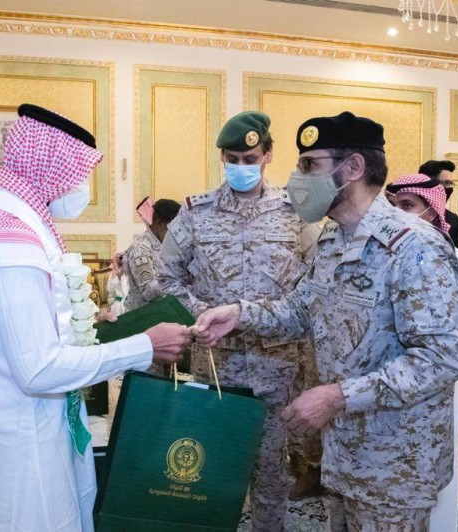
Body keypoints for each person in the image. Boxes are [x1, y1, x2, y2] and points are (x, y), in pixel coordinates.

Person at [193, 111, 458, 531]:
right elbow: (301, 310)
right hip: (343, 453)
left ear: (352, 168)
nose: (298, 178)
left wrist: (338, 396)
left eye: (309, 165)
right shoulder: (333, 239)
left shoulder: (414, 247)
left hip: (395, 465)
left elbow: (440, 357)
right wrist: (239, 314)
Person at [0, 104, 192, 532]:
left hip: (40, 424)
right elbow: (38, 369)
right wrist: (144, 346)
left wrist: (94, 327)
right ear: (48, 167)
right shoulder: (11, 246)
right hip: (26, 439)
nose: (82, 188)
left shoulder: (8, 223)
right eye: (79, 173)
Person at [157, 110, 320, 531]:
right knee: (210, 469)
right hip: (217, 369)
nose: (241, 167)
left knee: (271, 472)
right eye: (233, 159)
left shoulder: (295, 213)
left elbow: (317, 285)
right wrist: (202, 316)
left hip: (277, 370)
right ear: (222, 158)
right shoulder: (195, 213)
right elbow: (166, 279)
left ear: (268, 155)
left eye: (250, 159)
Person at [385, 173, 458, 531]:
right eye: (392, 206)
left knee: (434, 482)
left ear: (431, 211)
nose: (397, 214)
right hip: (380, 388)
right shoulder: (377, 257)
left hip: (437, 392)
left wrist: (435, 365)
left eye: (407, 206)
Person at [123, 197, 181, 312]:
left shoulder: (165, 246)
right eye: (173, 229)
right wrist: (177, 278)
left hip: (162, 312)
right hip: (142, 316)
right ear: (159, 224)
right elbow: (148, 292)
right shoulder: (140, 249)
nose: (177, 234)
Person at [419, 159, 458, 249]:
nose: (449, 188)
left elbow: (456, 252)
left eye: (451, 183)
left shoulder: (452, 219)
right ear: (429, 183)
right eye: (446, 183)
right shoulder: (408, 212)